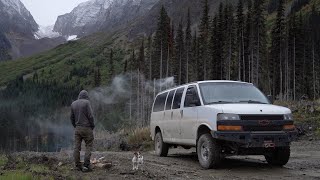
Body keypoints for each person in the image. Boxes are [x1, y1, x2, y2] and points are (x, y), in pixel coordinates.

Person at [70, 90, 95, 172]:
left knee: (77, 147)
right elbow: (90, 116)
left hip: (77, 128)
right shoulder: (87, 103)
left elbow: (71, 118)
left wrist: (75, 126)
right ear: (86, 96)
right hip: (87, 128)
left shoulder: (73, 104)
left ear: (79, 96)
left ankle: (77, 166)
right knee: (88, 145)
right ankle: (86, 166)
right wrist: (92, 125)